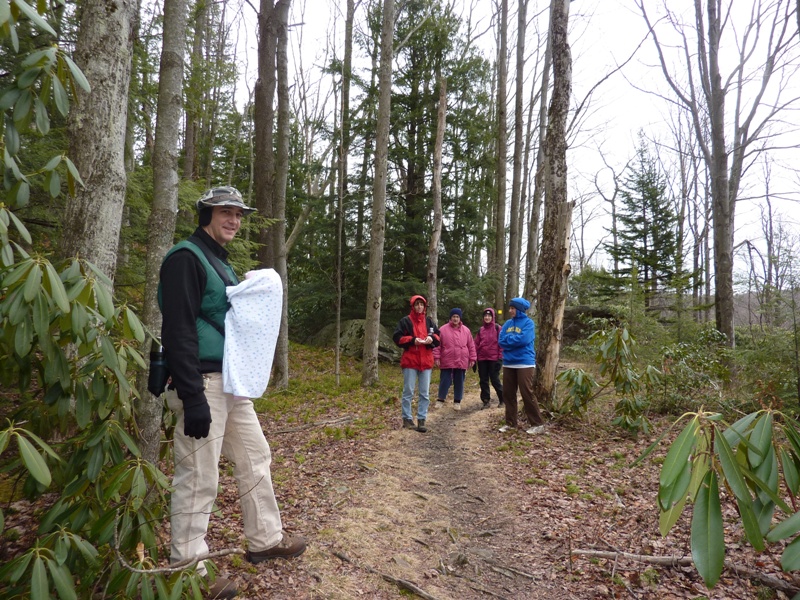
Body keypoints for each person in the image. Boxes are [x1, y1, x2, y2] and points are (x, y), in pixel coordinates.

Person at [159, 187, 306, 599]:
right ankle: (187, 568)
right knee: (199, 473)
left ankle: (265, 539)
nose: (234, 221)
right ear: (206, 213)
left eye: (239, 214)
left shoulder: (218, 262)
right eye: (226, 212)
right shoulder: (185, 258)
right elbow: (178, 331)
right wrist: (191, 397)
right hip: (201, 383)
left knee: (255, 455)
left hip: (229, 382)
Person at [392, 295, 440, 433]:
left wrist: (431, 338)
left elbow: (438, 336)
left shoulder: (429, 321)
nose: (419, 307)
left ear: (424, 307)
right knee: (408, 391)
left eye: (422, 305)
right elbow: (397, 337)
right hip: (410, 361)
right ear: (413, 306)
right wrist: (413, 340)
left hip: (426, 361)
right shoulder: (405, 321)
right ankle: (407, 419)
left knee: (424, 393)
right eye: (417, 304)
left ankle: (421, 419)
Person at [498, 297, 545, 435]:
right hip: (508, 363)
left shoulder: (528, 323)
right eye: (510, 308)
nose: (510, 310)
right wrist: (513, 341)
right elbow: (501, 341)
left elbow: (524, 339)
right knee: (508, 393)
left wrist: (509, 340)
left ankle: (537, 424)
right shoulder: (507, 324)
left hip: (525, 362)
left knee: (526, 392)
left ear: (519, 309)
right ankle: (511, 423)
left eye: (513, 308)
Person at [432, 308, 476, 410]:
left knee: (459, 381)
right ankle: (441, 399)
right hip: (447, 359)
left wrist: (472, 358)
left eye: (457, 317)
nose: (455, 319)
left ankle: (457, 401)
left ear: (460, 318)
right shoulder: (442, 329)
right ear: (450, 318)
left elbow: (471, 345)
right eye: (453, 317)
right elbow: (437, 345)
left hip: (462, 359)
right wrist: (437, 357)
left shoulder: (466, 330)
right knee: (445, 380)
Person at [474, 307, 504, 409]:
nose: (487, 317)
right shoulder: (481, 330)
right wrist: (474, 358)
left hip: (494, 359)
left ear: (493, 317)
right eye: (485, 316)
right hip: (482, 359)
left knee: (495, 379)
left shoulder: (497, 328)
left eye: (489, 316)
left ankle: (502, 399)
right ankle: (486, 401)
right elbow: (475, 344)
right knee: (483, 380)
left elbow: (501, 344)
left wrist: (500, 358)